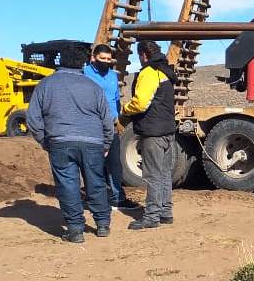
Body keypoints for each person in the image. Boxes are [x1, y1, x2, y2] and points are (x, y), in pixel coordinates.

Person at [26, 46, 114, 243]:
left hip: (60, 141)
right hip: (93, 142)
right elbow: (107, 119)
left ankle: (75, 229)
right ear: (84, 62)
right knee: (96, 182)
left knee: (67, 184)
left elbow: (32, 118)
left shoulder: (45, 85)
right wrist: (106, 143)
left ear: (60, 61)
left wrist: (45, 140)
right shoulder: (93, 87)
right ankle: (102, 224)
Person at [121, 40, 178, 230]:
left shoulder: (149, 73)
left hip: (152, 132)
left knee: (153, 175)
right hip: (168, 131)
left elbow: (141, 103)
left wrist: (125, 109)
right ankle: (165, 213)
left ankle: (152, 216)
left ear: (143, 54)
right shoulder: (165, 71)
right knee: (164, 174)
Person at [83, 44, 139, 210]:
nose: (106, 62)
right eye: (103, 59)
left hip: (111, 125)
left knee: (115, 163)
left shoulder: (113, 76)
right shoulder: (84, 74)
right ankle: (94, 199)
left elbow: (115, 99)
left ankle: (118, 198)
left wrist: (119, 119)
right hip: (92, 125)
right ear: (94, 58)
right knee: (93, 164)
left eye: (109, 59)